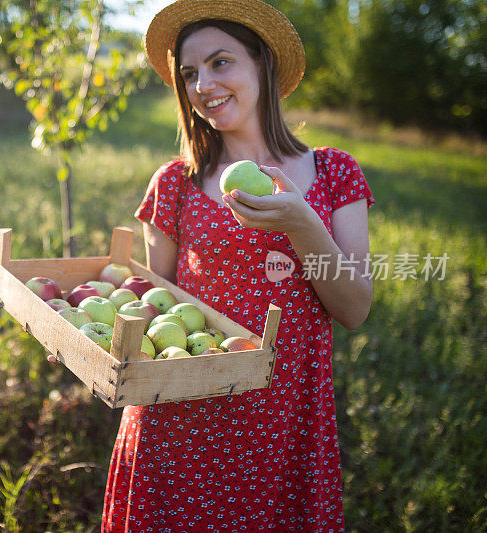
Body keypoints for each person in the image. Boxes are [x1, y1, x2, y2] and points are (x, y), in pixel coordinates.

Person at [101, 0, 375, 530]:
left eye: (220, 62)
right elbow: (154, 307)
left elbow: (355, 308)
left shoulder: (334, 172)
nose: (202, 83)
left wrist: (300, 222)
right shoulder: (175, 184)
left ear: (262, 65)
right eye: (189, 72)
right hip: (179, 426)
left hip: (281, 425)